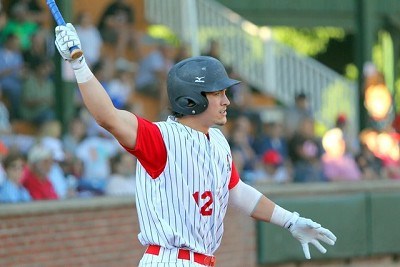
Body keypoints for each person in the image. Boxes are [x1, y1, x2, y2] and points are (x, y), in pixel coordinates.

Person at [54, 23, 337, 266]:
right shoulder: (161, 138)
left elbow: (235, 190)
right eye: (218, 93)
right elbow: (108, 117)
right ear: (192, 99)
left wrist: (290, 220)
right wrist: (78, 63)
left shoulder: (217, 140)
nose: (227, 101)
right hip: (168, 259)